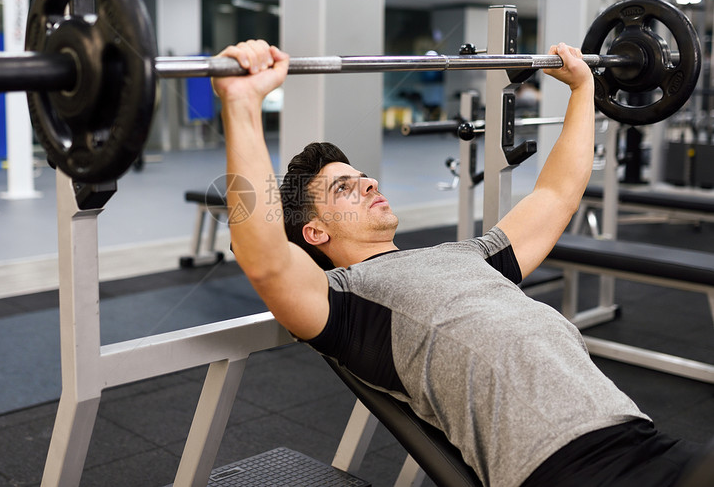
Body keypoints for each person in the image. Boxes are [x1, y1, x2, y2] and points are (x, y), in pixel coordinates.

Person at [211, 39, 702, 487]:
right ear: (316, 233)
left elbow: (557, 193)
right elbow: (266, 260)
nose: (369, 184)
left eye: (364, 176)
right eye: (345, 187)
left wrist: (582, 90)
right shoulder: (346, 303)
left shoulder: (470, 255)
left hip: (643, 437)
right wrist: (242, 105)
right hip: (563, 470)